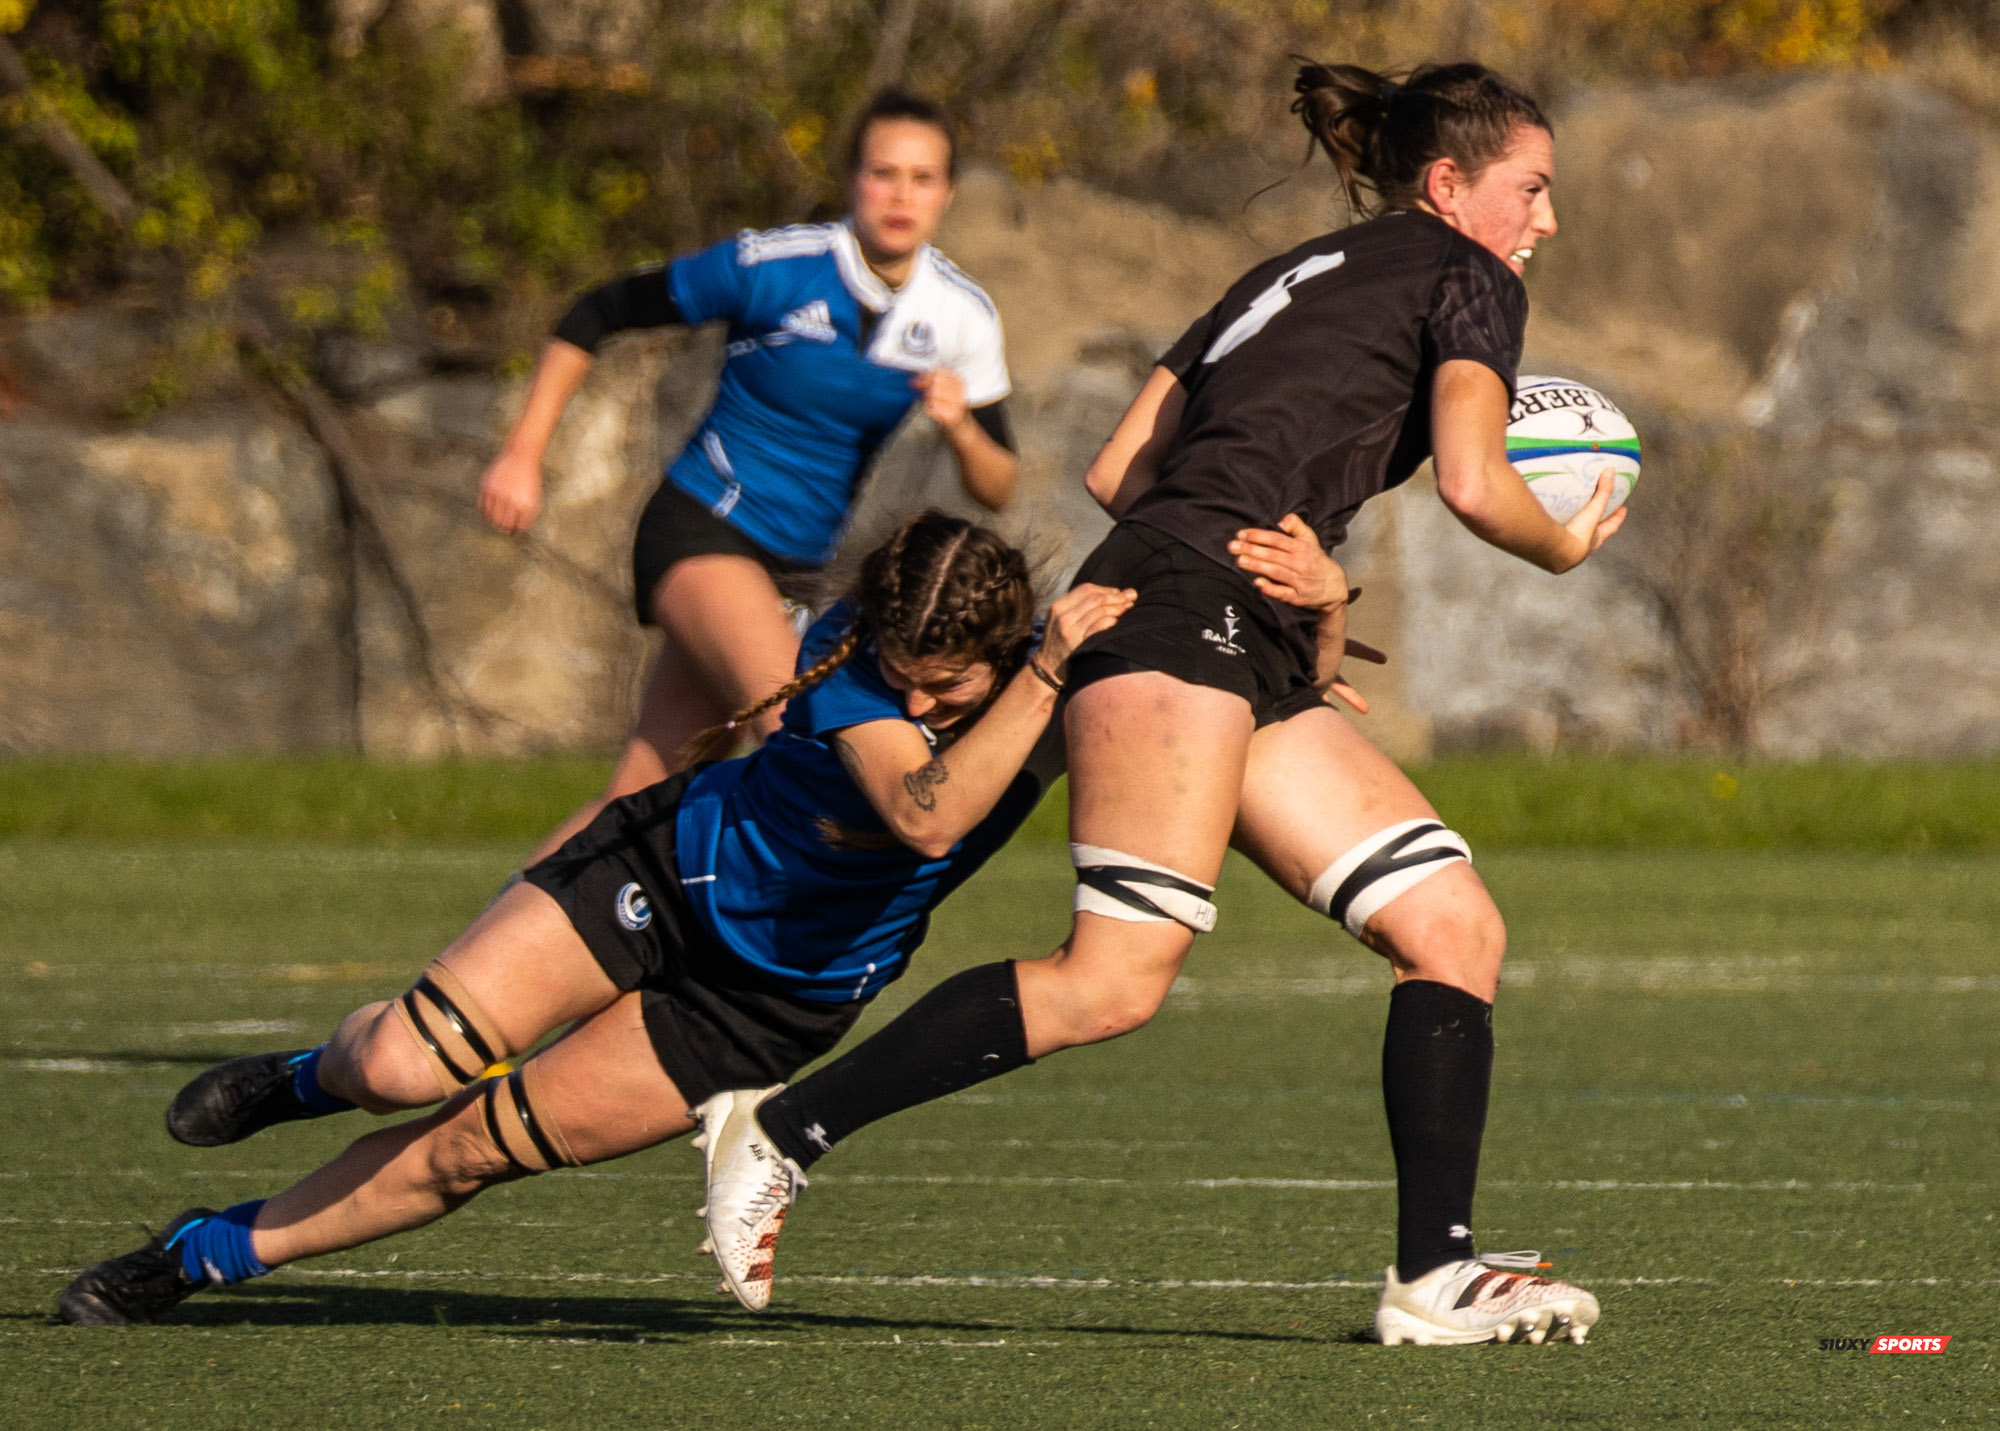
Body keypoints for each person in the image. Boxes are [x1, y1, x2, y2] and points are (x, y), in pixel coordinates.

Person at [697, 60, 1627, 1348]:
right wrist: (1566, 546)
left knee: (1451, 925)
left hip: (1209, 605)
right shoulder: (1470, 275)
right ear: (1447, 184)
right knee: (1113, 979)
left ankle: (1434, 1277)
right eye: (1530, 189)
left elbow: (1116, 468)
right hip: (1184, 617)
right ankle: (781, 1127)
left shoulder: (1287, 274)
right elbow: (1474, 485)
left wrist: (1308, 581)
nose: (1544, 220)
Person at [57, 513, 1133, 1326]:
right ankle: (302, 1077)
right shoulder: (869, 651)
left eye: (941, 692)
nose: (914, 708)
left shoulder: (1044, 684)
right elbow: (923, 814)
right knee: (395, 1067)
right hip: (667, 871)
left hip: (765, 1005)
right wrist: (1041, 675)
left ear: (993, 651)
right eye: (900, 684)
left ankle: (202, 1254)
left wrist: (1309, 611)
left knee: (472, 1149)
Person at [479, 89, 1020, 865]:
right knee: (803, 729)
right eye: (883, 173)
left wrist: (961, 426)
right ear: (850, 179)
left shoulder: (962, 315)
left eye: (922, 178)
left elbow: (999, 484)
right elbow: (596, 311)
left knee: (644, 792)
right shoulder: (775, 266)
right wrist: (522, 453)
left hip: (799, 569)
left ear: (948, 192)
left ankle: (481, 963)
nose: (901, 196)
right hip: (704, 525)